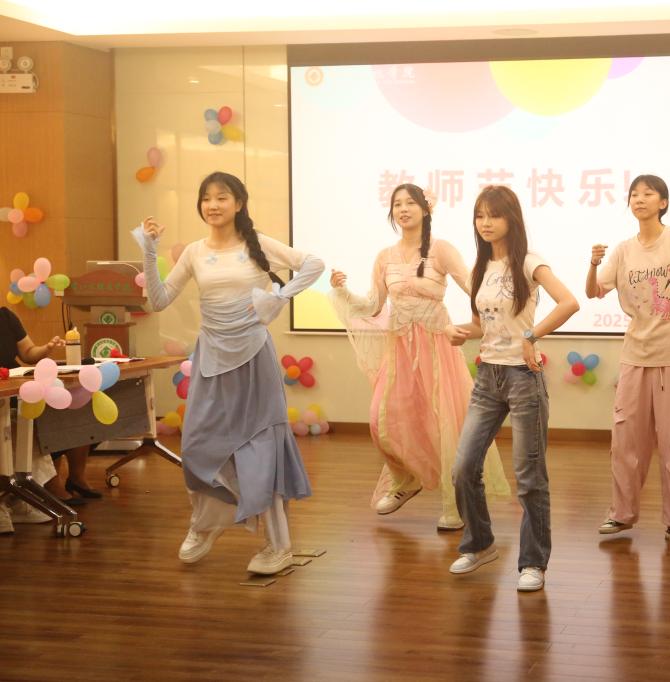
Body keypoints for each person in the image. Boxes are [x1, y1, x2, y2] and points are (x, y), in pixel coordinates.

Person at [135, 171, 324, 574]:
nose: (213, 205)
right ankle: (207, 525)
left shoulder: (258, 244)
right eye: (207, 198)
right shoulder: (194, 252)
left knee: (261, 448)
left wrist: (279, 296)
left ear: (239, 203)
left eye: (222, 197)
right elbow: (158, 300)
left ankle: (278, 546)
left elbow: (313, 264)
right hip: (212, 357)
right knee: (197, 445)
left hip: (253, 356)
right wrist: (150, 252)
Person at [329, 183, 508, 530]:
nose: (403, 209)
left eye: (410, 202)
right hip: (400, 350)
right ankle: (406, 479)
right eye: (397, 204)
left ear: (425, 209)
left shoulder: (441, 249)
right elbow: (373, 305)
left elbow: (474, 287)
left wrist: (487, 318)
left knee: (445, 425)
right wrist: (343, 291)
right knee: (380, 421)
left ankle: (455, 502)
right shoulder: (385, 257)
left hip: (437, 347)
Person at [446, 185, 579, 593]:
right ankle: (480, 544)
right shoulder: (479, 268)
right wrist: (457, 332)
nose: (485, 223)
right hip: (487, 377)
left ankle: (533, 562)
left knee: (529, 476)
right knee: (464, 468)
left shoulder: (529, 262)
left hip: (523, 377)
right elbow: (480, 326)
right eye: (479, 215)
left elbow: (569, 302)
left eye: (494, 215)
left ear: (511, 219)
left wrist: (531, 335)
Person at [586, 174, 670, 547]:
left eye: (648, 193)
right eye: (634, 194)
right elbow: (595, 291)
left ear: (663, 202)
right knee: (625, 438)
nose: (639, 199)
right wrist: (592, 263)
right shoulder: (623, 250)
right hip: (635, 354)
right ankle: (621, 513)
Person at [0, 307, 75, 533]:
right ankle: (17, 496)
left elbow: (28, 353)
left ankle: (21, 497)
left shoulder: (6, 316)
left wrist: (47, 348)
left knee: (53, 419)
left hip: (15, 388)